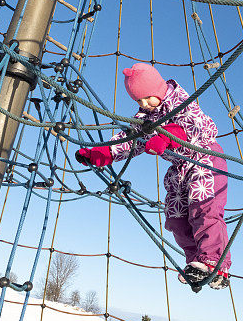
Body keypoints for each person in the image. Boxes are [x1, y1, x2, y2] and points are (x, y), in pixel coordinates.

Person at [76, 63, 231, 290]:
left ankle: (214, 261)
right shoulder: (147, 117)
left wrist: (168, 136)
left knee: (203, 211)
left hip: (204, 162)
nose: (144, 104)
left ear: (157, 89)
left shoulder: (182, 102)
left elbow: (200, 127)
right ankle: (195, 263)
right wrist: (100, 153)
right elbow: (130, 140)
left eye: (147, 97)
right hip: (179, 170)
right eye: (138, 101)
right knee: (177, 220)